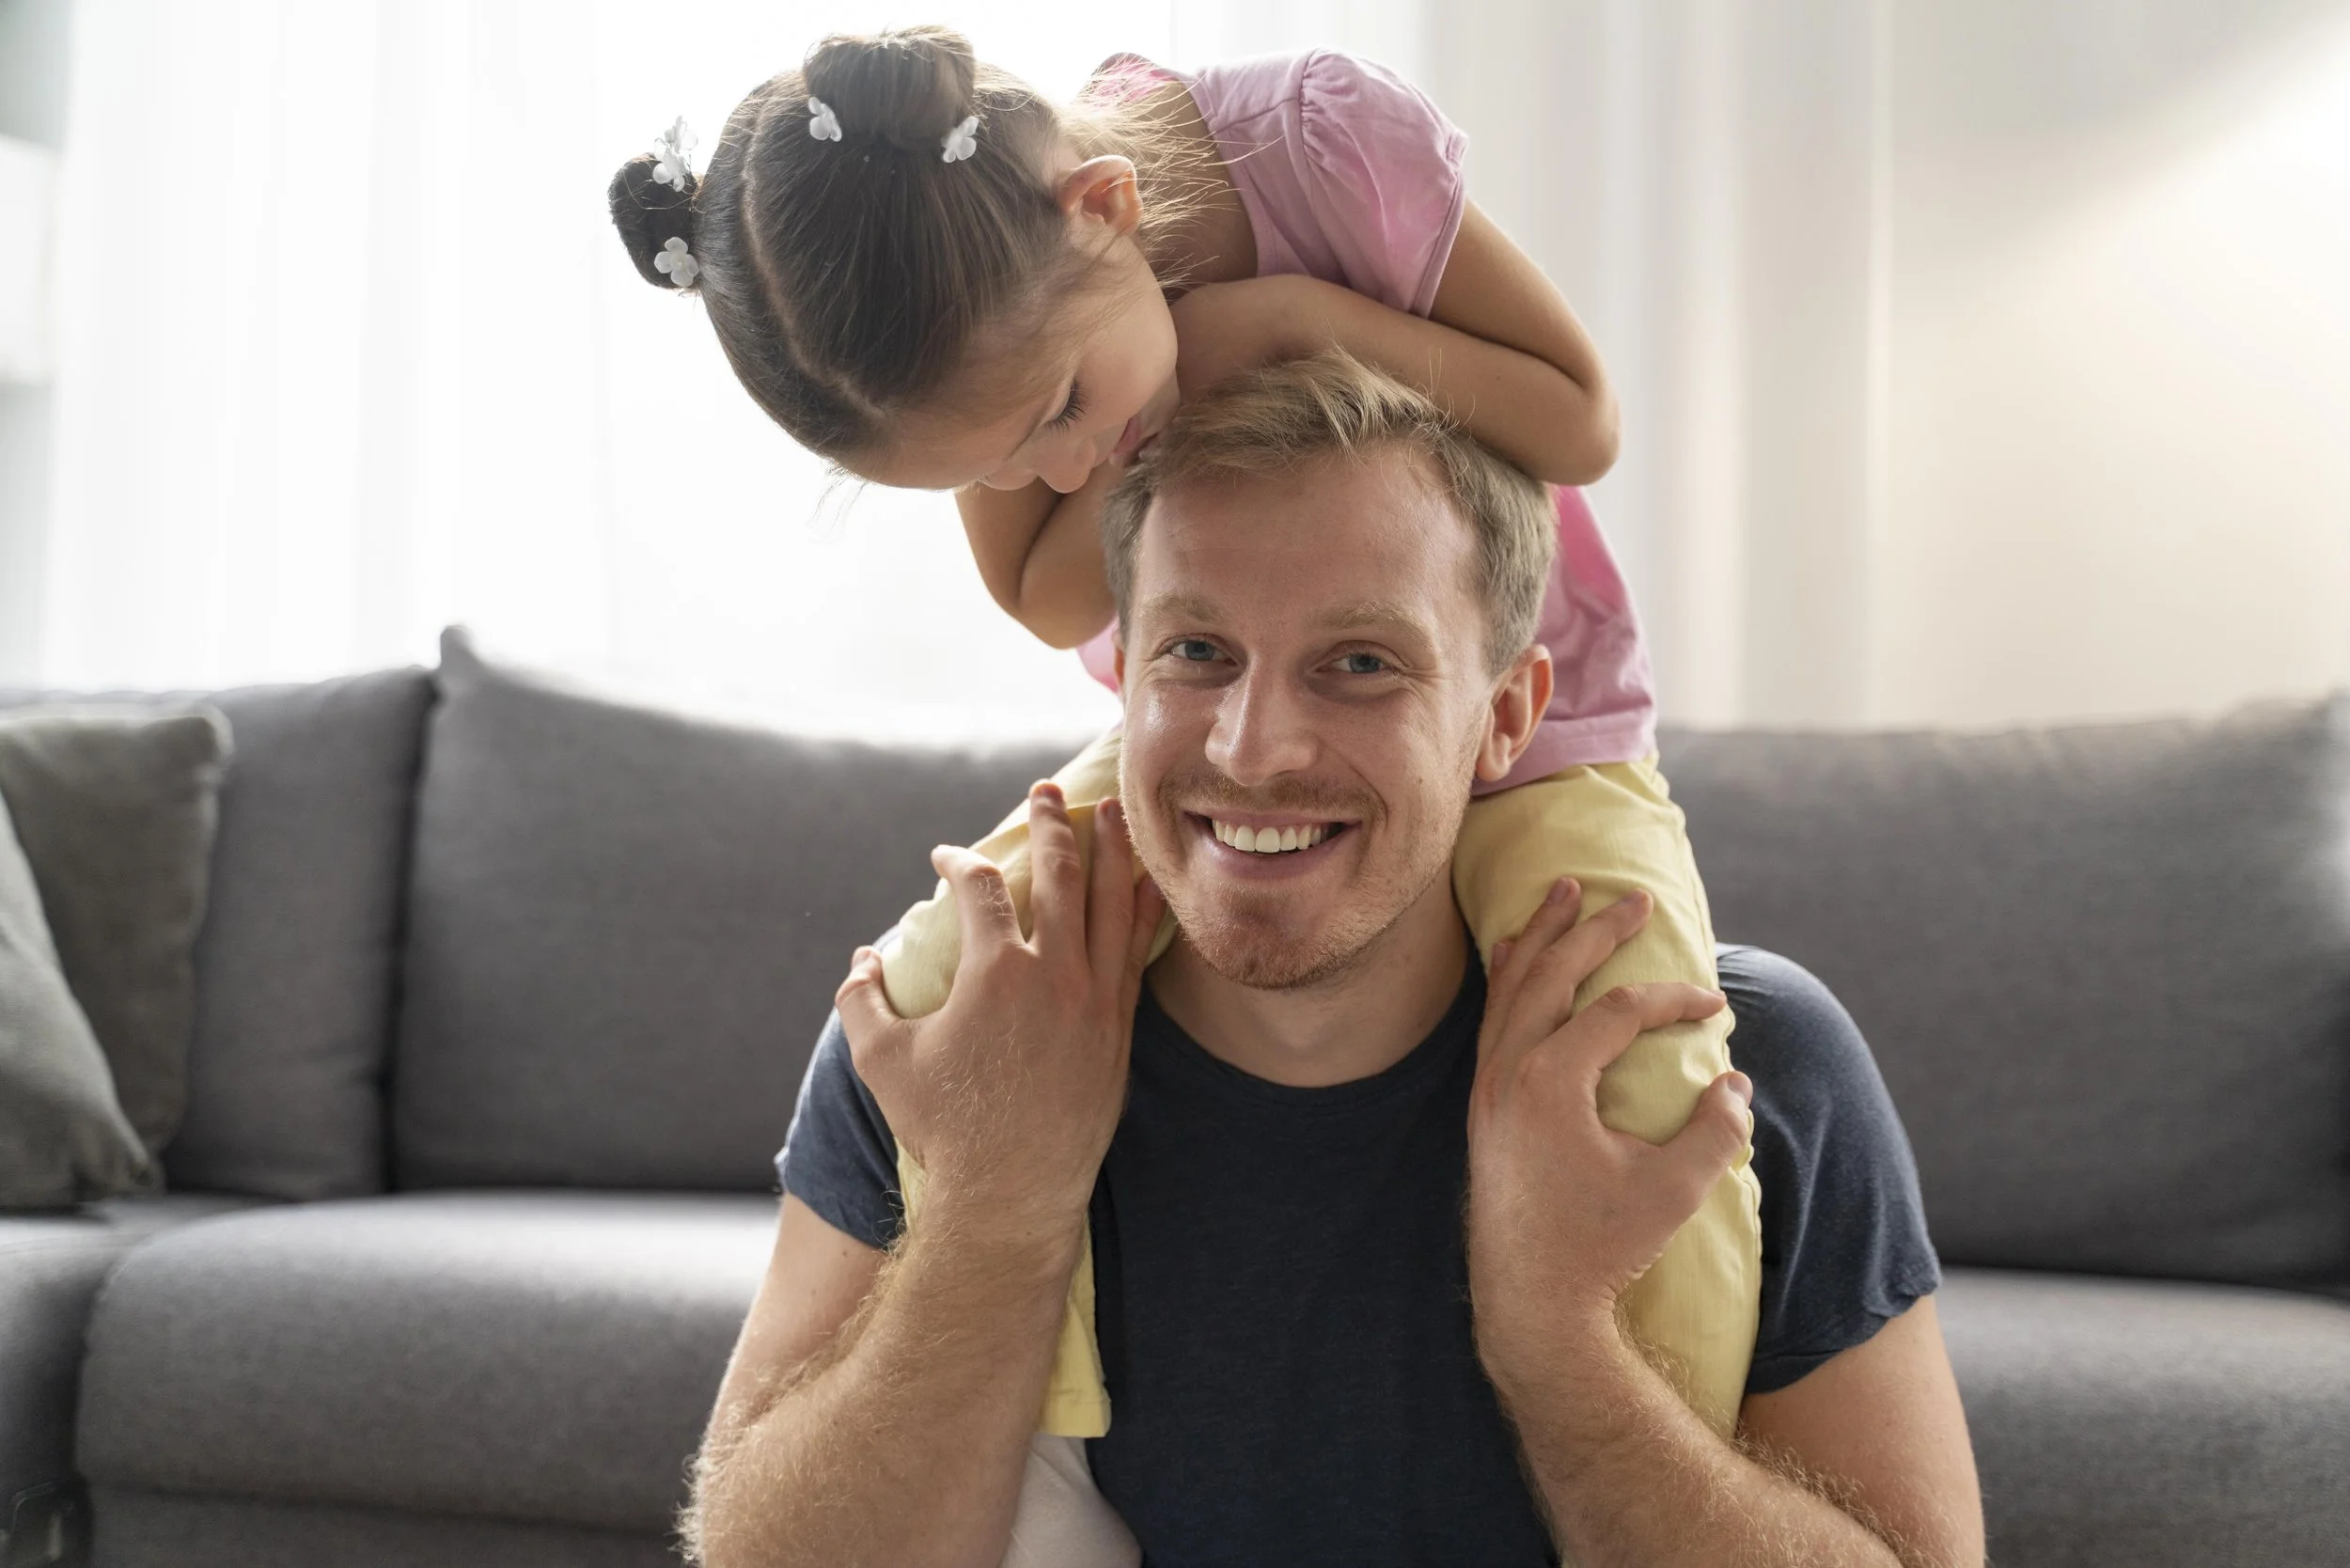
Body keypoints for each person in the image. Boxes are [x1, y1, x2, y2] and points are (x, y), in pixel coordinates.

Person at [609, 28, 1762, 1484]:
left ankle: (1665, 1454)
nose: (1059, 475)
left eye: (1055, 421)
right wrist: (1072, 441)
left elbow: (1576, 417)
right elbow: (1047, 594)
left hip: (1532, 731)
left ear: (1104, 210)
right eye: (991, 468)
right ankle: (1058, 1439)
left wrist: (1288, 326)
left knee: (1647, 1058)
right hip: (1189, 744)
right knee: (939, 980)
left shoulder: (1327, 149)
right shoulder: (994, 352)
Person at [682, 353, 1984, 1568]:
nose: (1256, 748)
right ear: (1124, 672)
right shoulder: (954, 1043)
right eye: (1198, 653)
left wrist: (1560, 1341)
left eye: (1360, 664)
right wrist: (991, 1212)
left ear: (1507, 717)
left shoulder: (1747, 1068)